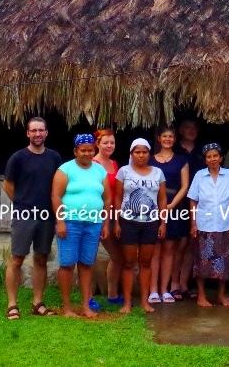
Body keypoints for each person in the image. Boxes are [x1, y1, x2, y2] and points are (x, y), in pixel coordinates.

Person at [2, 117, 63, 320]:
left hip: (46, 216)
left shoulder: (54, 158)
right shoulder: (18, 158)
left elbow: (58, 186)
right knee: (17, 258)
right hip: (24, 214)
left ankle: (38, 302)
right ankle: (12, 304)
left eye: (41, 130)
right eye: (33, 130)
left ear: (46, 133)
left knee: (41, 258)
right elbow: (8, 185)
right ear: (28, 133)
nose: (37, 134)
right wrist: (21, 203)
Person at [52, 133, 111, 318]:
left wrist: (105, 223)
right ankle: (68, 307)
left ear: (94, 150)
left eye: (90, 150)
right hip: (70, 222)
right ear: (75, 151)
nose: (87, 153)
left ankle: (86, 306)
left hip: (93, 223)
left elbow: (107, 198)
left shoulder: (99, 170)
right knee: (68, 264)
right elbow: (56, 196)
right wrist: (60, 221)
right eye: (83, 150)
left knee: (87, 264)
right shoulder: (65, 169)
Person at [114, 138, 167, 313]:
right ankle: (127, 303)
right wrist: (116, 222)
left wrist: (163, 222)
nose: (141, 155)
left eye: (144, 152)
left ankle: (145, 301)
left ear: (149, 154)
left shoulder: (158, 172)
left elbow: (162, 199)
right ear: (132, 154)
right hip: (128, 221)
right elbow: (117, 197)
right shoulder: (123, 171)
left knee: (146, 263)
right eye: (137, 152)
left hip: (150, 222)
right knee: (128, 263)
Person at [188, 142, 229, 307]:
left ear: (221, 158)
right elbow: (193, 201)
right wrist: (193, 224)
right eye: (209, 156)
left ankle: (221, 295)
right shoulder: (199, 175)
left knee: (224, 262)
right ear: (205, 159)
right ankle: (201, 295)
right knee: (202, 262)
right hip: (204, 224)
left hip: (224, 224)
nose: (212, 159)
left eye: (215, 156)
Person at [148, 126, 190, 303]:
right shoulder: (150, 160)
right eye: (164, 136)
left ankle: (165, 289)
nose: (167, 139)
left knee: (169, 250)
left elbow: (185, 186)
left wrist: (172, 204)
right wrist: (157, 205)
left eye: (170, 136)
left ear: (174, 139)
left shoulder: (181, 160)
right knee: (155, 250)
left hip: (175, 205)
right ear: (159, 139)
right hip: (152, 205)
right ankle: (153, 290)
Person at [173, 119, 205, 297]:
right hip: (179, 200)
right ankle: (174, 283)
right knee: (180, 243)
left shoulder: (204, 151)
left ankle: (185, 284)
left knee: (193, 243)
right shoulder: (175, 150)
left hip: (202, 202)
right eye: (186, 127)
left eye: (193, 127)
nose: (191, 130)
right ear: (180, 130)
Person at [92, 128, 123, 305]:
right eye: (105, 142)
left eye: (112, 142)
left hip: (111, 216)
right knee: (89, 257)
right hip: (95, 214)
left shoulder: (114, 164)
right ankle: (88, 297)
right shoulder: (92, 163)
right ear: (98, 144)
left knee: (117, 256)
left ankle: (112, 294)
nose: (109, 145)